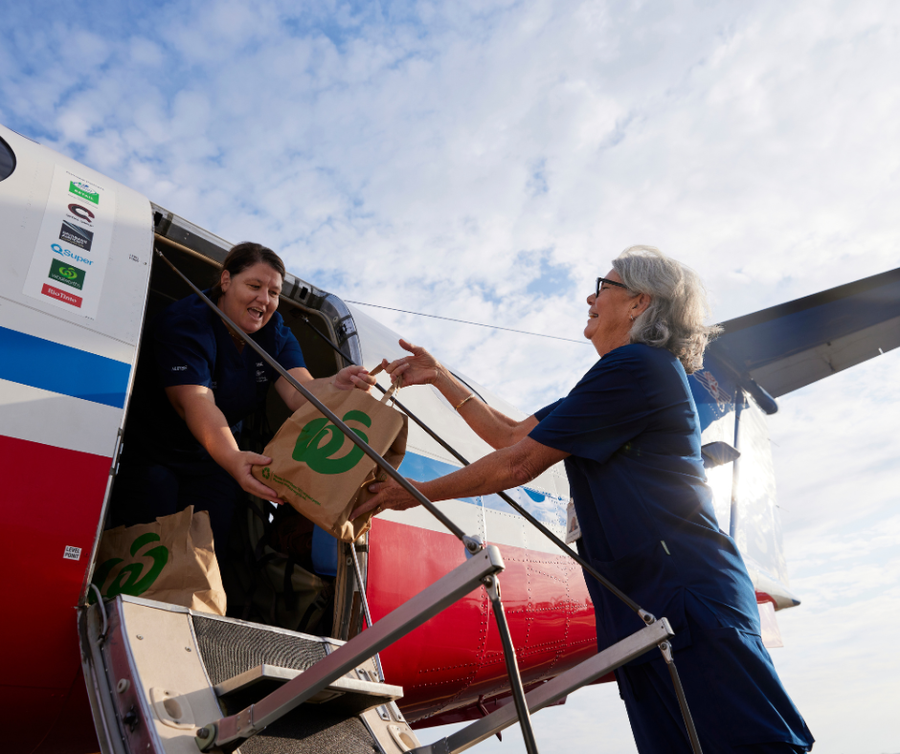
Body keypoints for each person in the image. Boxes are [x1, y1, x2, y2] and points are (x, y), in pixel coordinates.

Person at [353, 246, 814, 753]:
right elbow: (508, 436)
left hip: (687, 601)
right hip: (644, 607)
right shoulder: (614, 379)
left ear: (639, 303)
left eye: (605, 285)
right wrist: (439, 377)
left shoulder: (638, 367)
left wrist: (408, 493)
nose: (590, 297)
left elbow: (517, 465)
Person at [110, 242, 374, 556]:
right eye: (254, 286)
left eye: (274, 293)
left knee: (206, 552)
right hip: (156, 454)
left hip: (213, 464)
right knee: (149, 547)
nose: (264, 299)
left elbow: (298, 390)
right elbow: (196, 401)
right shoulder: (186, 323)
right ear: (225, 281)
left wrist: (334, 386)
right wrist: (234, 458)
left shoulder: (276, 334)